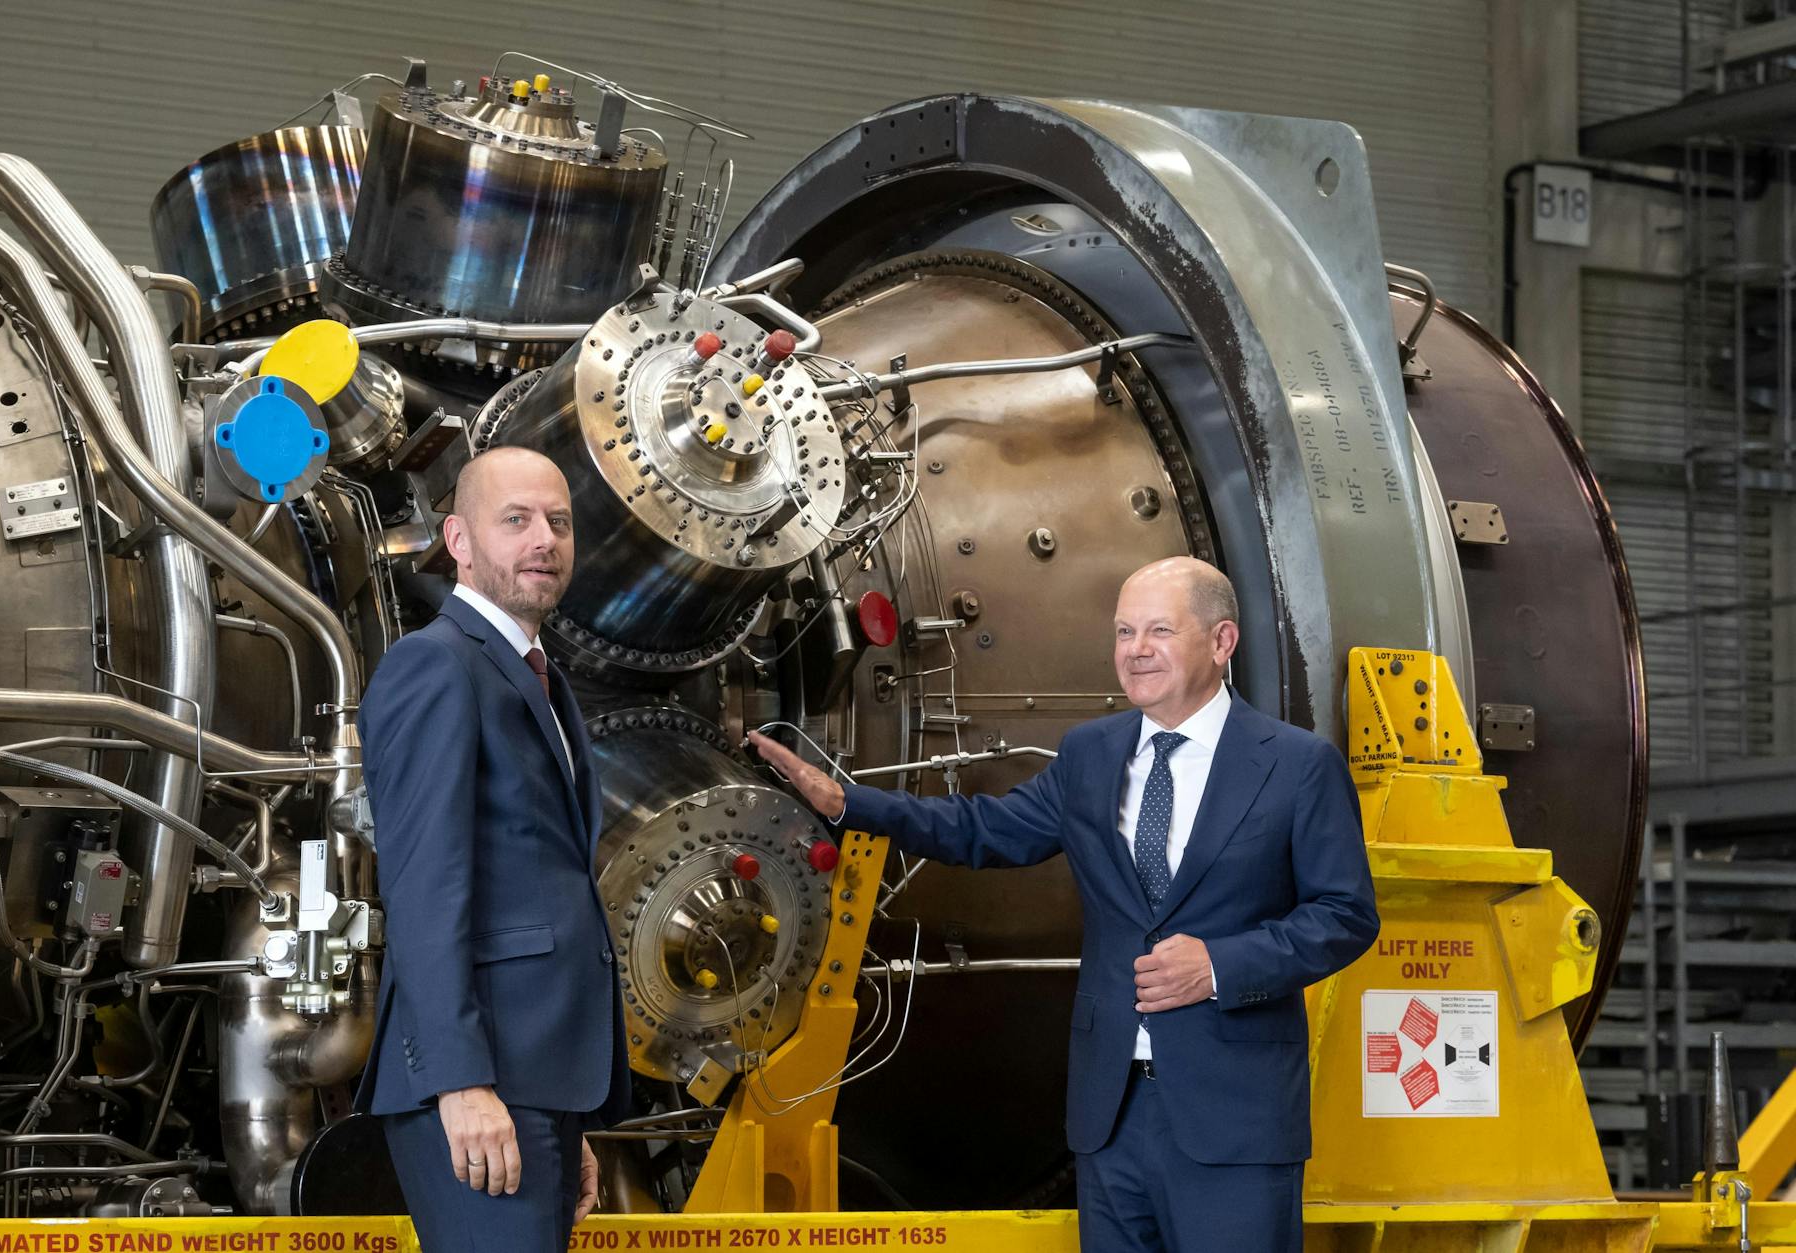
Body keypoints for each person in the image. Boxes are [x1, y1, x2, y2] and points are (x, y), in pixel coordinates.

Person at [749, 556, 1379, 1253]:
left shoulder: (1295, 764)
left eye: (1159, 630)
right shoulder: (1091, 754)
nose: (1135, 650)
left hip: (1235, 1119)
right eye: (1123, 631)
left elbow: (1344, 914)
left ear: (1223, 641)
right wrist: (850, 802)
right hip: (1111, 1115)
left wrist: (1220, 965)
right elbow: (985, 830)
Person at [356, 446, 628, 1253]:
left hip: (531, 1084)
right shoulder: (434, 666)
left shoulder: (536, 674)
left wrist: (562, 1114)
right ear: (460, 540)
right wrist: (461, 1083)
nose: (543, 539)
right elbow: (424, 887)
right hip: (479, 1087)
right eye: (515, 520)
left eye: (558, 522)